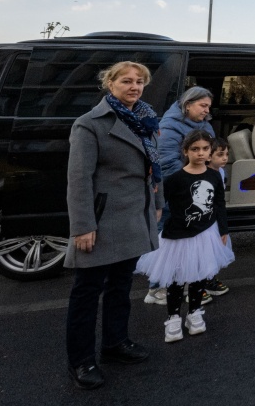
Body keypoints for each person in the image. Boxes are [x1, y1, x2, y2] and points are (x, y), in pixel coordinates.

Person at [65, 61, 164, 390]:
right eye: (126, 81)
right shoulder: (89, 124)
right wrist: (82, 226)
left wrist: (158, 205)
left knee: (121, 287)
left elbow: (154, 168)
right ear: (110, 84)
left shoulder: (146, 121)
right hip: (102, 221)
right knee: (87, 293)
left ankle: (115, 344)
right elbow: (79, 180)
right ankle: (81, 360)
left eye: (139, 82)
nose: (134, 87)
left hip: (135, 216)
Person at [136, 130, 233, 343]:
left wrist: (223, 229)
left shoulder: (214, 175)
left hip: (205, 233)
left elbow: (219, 204)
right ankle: (173, 319)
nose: (200, 153)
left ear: (210, 152)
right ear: (185, 151)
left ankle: (195, 313)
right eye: (195, 149)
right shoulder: (176, 178)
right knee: (176, 280)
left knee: (199, 275)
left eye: (205, 149)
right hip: (178, 237)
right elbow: (159, 202)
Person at [145, 87, 226, 305]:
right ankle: (157, 287)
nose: (206, 110)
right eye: (202, 105)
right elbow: (167, 162)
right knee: (166, 240)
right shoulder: (170, 126)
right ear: (187, 104)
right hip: (179, 192)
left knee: (192, 241)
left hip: (197, 188)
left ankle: (192, 282)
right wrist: (192, 184)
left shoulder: (203, 124)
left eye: (208, 106)